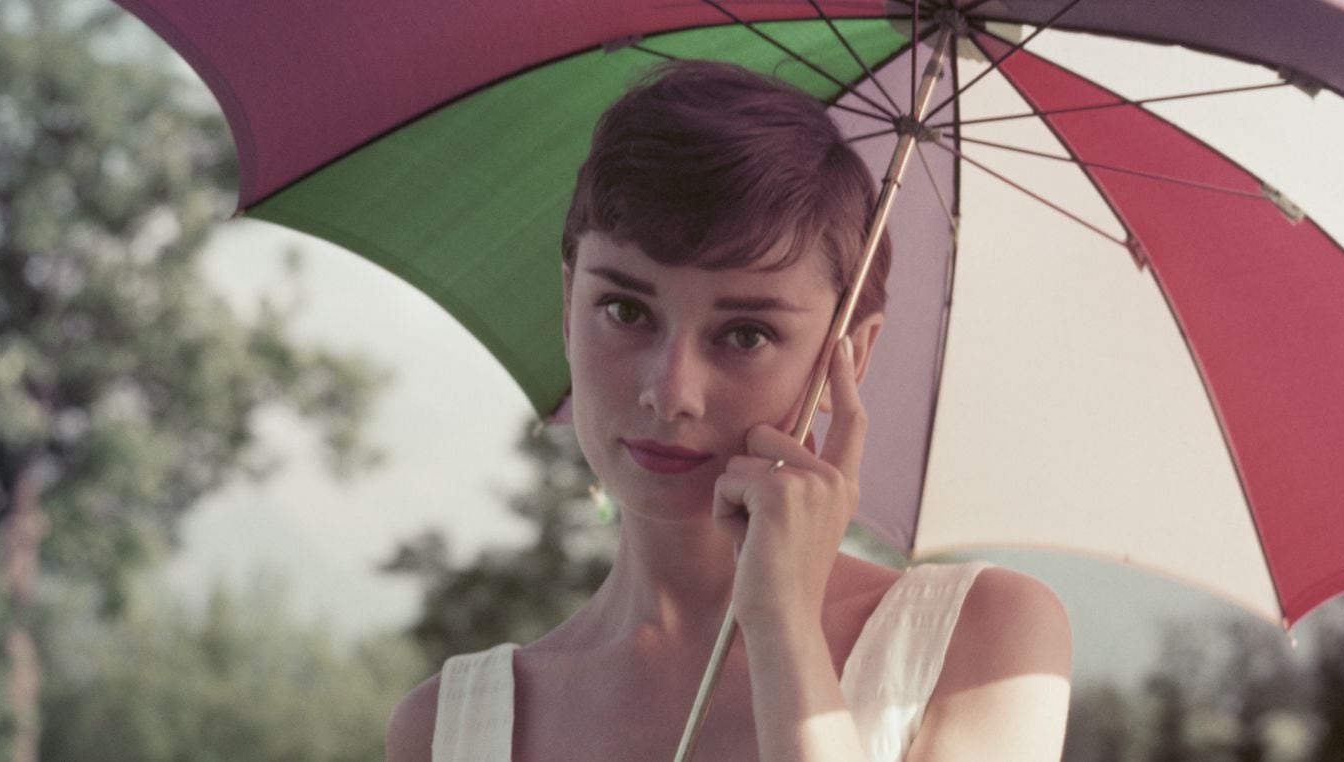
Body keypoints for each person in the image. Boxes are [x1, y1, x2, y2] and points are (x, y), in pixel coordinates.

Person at [387, 60, 1071, 761]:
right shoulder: (446, 731)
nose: (671, 391)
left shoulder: (986, 641)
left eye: (746, 334)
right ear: (568, 308)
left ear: (852, 356)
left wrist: (784, 632)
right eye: (625, 310)